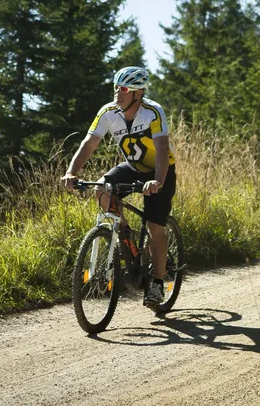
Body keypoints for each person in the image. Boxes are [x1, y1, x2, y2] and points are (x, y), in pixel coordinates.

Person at [61, 66, 176, 309]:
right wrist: (72, 172)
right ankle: (125, 233)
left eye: (123, 89)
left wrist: (158, 181)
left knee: (156, 227)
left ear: (138, 93)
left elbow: (163, 149)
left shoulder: (153, 112)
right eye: (115, 87)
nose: (117, 93)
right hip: (132, 167)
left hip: (158, 171)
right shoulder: (108, 112)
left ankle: (157, 282)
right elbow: (89, 143)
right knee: (101, 189)